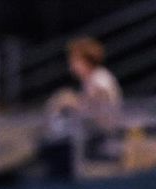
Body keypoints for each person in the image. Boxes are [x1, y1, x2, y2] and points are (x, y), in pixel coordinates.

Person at [42, 37, 123, 176]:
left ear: (85, 61)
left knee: (55, 149)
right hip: (93, 136)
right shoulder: (92, 80)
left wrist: (70, 102)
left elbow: (96, 112)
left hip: (101, 138)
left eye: (74, 61)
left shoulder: (100, 80)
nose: (71, 67)